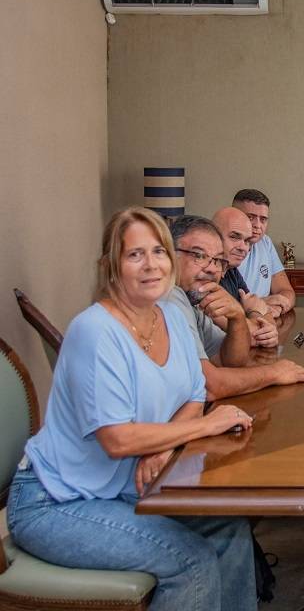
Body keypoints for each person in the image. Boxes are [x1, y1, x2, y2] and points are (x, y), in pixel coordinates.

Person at [6, 207, 257, 611]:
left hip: (124, 489)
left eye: (158, 251)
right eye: (135, 254)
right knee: (191, 562)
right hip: (57, 502)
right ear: (111, 266)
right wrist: (205, 426)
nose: (151, 264)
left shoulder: (171, 317)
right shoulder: (95, 330)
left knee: (230, 529)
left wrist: (161, 447)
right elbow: (118, 439)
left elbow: (194, 395)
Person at [169, 214, 304, 400]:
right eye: (199, 255)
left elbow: (228, 361)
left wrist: (237, 317)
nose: (212, 269)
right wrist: (274, 373)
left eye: (217, 260)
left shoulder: (194, 300)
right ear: (169, 256)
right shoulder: (172, 297)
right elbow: (209, 386)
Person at [211, 206, 278, 347]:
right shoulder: (205, 278)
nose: (243, 248)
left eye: (247, 241)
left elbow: (263, 312)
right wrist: (255, 312)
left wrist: (270, 330)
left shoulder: (231, 270)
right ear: (212, 236)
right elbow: (251, 335)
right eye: (234, 237)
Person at [232, 189, 296, 317]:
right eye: (250, 217)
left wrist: (277, 307)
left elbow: (286, 291)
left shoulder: (265, 242)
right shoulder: (219, 249)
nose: (257, 225)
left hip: (265, 319)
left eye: (263, 219)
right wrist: (260, 305)